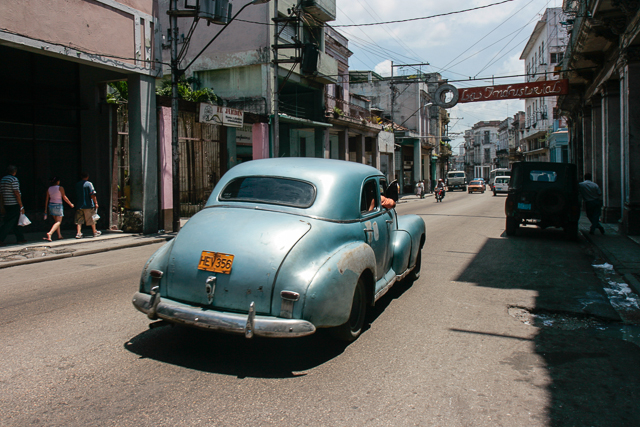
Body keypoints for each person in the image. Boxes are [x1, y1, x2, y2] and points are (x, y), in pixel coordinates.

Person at [0, 165, 27, 246]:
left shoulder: (3, 179)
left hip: (6, 203)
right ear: (15, 172)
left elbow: (1, 194)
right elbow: (16, 193)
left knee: (15, 222)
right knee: (9, 222)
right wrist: (21, 206)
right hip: (13, 203)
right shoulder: (14, 179)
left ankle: (20, 238)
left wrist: (1, 205)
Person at [43, 177, 74, 241]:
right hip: (58, 205)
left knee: (56, 222)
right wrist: (70, 204)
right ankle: (50, 233)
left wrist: (45, 208)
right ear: (58, 182)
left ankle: (59, 235)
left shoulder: (49, 188)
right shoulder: (60, 188)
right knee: (58, 222)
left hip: (51, 205)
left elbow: (46, 199)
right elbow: (64, 197)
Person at [75, 172, 101, 239]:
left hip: (79, 205)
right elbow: (92, 194)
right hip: (88, 205)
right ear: (87, 177)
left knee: (79, 220)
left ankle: (78, 233)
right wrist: (96, 203)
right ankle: (94, 232)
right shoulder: (89, 184)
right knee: (91, 219)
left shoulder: (77, 184)